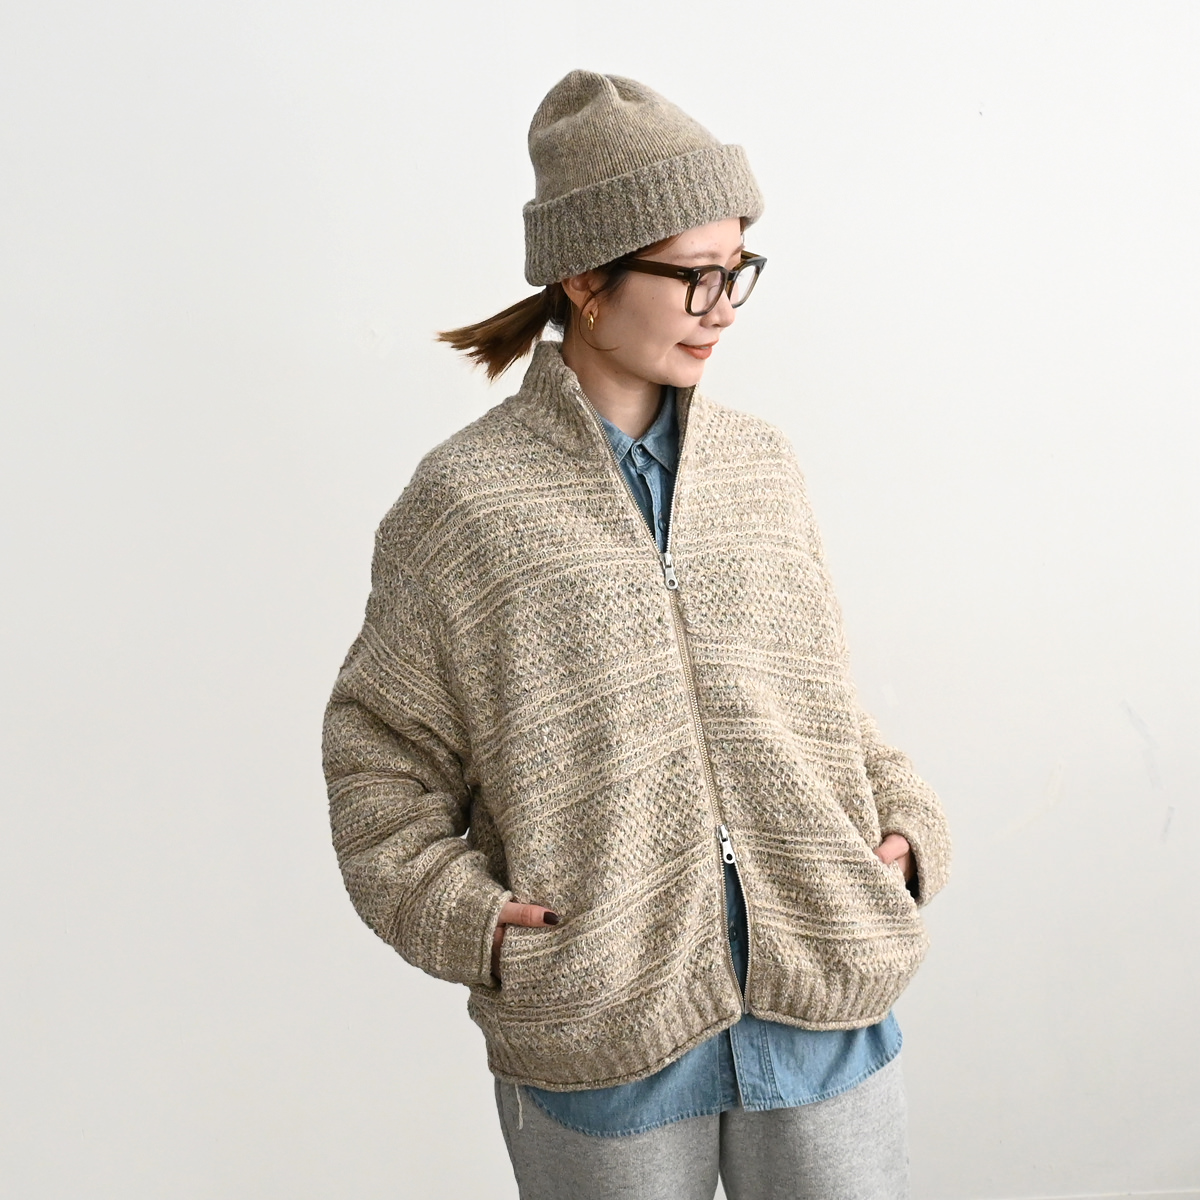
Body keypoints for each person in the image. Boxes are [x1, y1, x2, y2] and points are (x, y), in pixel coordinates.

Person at [323, 70, 951, 1200]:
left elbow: (821, 707)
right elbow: (379, 765)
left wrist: (904, 827)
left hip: (825, 1010)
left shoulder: (761, 469)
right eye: (694, 274)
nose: (723, 306)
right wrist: (482, 930)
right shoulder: (465, 507)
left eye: (737, 269)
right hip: (603, 1042)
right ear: (587, 278)